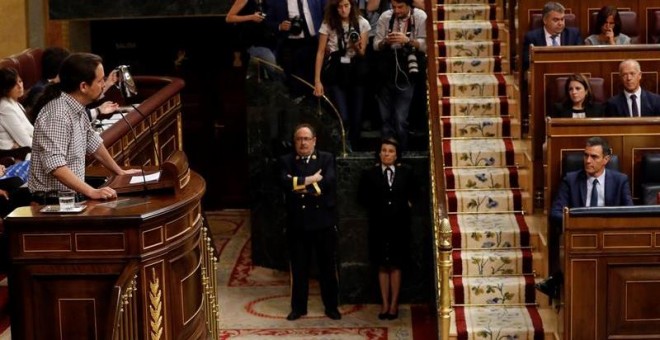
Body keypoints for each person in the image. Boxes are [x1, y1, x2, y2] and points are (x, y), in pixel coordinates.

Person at [28, 53, 142, 202]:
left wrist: (120, 172)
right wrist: (92, 192)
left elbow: (93, 143)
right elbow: (56, 166)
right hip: (53, 202)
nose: (104, 85)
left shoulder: (77, 107)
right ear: (83, 86)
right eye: (100, 80)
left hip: (70, 197)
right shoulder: (57, 115)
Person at [539, 136, 633, 299]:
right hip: (580, 236)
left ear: (606, 159)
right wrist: (579, 225)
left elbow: (630, 214)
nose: (588, 161)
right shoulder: (571, 179)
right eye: (585, 155)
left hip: (610, 238)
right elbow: (555, 213)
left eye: (594, 157)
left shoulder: (620, 181)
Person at [278, 123, 341, 321]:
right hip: (298, 224)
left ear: (314, 141)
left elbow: (328, 182)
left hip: (323, 223)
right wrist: (312, 179)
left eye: (306, 139)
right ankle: (298, 308)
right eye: (299, 139)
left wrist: (300, 185)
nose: (303, 143)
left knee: (327, 268)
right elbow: (283, 182)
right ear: (294, 142)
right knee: (299, 268)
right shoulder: (286, 160)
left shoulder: (326, 158)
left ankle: (331, 306)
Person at [358, 137, 416, 320]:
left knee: (396, 265)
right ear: (379, 153)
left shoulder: (406, 172)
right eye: (384, 150)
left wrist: (407, 204)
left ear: (396, 154)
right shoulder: (370, 173)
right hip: (378, 226)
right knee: (382, 265)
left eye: (390, 151)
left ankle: (394, 305)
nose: (386, 154)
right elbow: (362, 197)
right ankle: (384, 304)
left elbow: (416, 193)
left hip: (400, 226)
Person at [313, 0, 370, 150]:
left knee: (357, 116)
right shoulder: (328, 23)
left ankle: (354, 148)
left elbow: (363, 52)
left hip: (356, 70)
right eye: (340, 7)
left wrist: (355, 46)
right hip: (336, 71)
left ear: (352, 6)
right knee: (342, 115)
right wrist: (317, 81)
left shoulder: (362, 22)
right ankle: (343, 146)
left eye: (346, 6)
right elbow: (320, 52)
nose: (343, 10)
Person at [373, 0, 427, 151]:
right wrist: (385, 41)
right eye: (394, 7)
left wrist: (408, 40)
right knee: (385, 118)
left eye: (400, 7)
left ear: (409, 5)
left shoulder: (420, 16)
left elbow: (426, 46)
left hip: (407, 71)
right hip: (386, 71)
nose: (396, 10)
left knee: (400, 118)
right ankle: (385, 154)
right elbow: (375, 45)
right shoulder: (385, 17)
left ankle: (401, 153)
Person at [23, 47, 120, 124]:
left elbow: (94, 143)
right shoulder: (57, 112)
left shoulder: (75, 104)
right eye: (99, 81)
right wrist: (99, 110)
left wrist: (107, 84)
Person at [266, 0, 327, 98]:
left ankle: (314, 104)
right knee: (295, 83)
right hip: (291, 46)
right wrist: (280, 26)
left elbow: (327, 13)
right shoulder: (276, 2)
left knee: (314, 80)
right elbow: (268, 21)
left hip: (314, 43)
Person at [522, 2, 582, 71]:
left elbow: (580, 59)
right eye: (556, 20)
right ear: (545, 20)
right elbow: (527, 64)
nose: (560, 23)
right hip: (543, 73)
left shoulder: (574, 34)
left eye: (562, 19)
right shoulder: (532, 37)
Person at [226, 0, 278, 73]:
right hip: (250, 43)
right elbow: (229, 18)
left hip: (265, 41)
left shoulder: (264, 2)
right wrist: (251, 17)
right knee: (275, 72)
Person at [0, 67, 34, 149]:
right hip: (12, 156)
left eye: (20, 81)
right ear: (5, 89)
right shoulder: (5, 107)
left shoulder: (16, 103)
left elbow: (32, 131)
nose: (19, 86)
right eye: (14, 84)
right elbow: (26, 142)